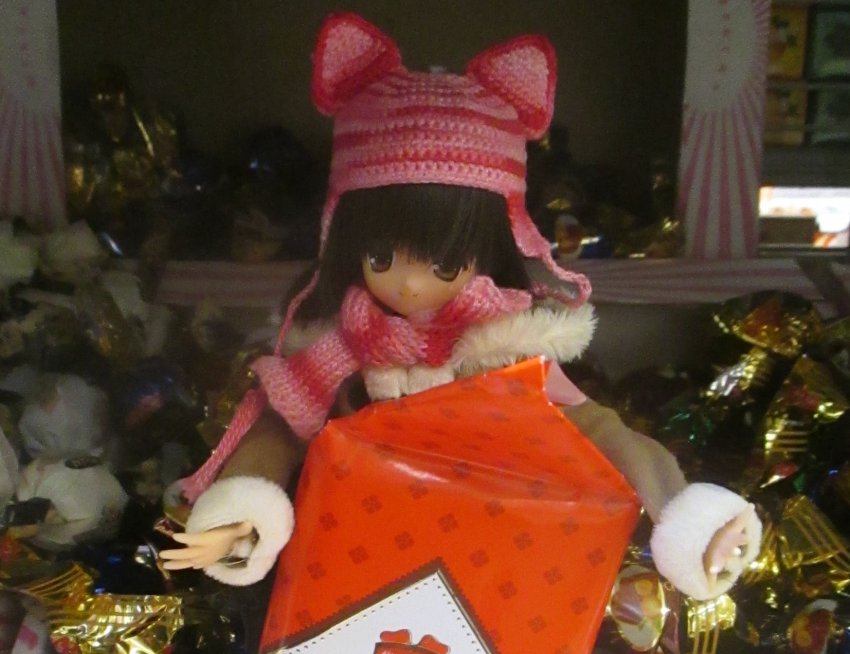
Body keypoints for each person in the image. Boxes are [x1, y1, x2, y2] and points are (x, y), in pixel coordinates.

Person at [159, 12, 760, 602]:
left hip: (484, 571)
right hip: (347, 566)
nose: (410, 287)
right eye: (380, 257)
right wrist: (243, 515)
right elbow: (279, 430)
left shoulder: (505, 354)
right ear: (341, 238)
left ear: (495, 246)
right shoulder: (333, 353)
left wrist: (685, 516)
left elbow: (598, 430)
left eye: (445, 264)